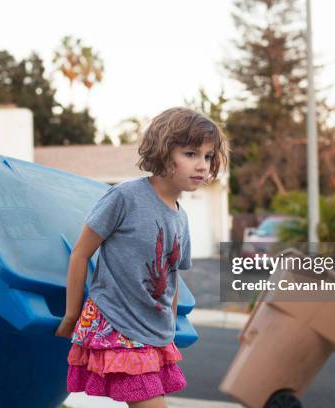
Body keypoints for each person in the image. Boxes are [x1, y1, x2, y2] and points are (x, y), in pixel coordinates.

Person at [55, 107, 228, 408]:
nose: (202, 165)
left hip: (154, 334)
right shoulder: (125, 197)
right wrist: (72, 315)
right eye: (190, 154)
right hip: (117, 324)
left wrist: (170, 327)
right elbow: (81, 253)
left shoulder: (181, 217)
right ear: (163, 151)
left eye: (208, 156)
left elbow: (172, 276)